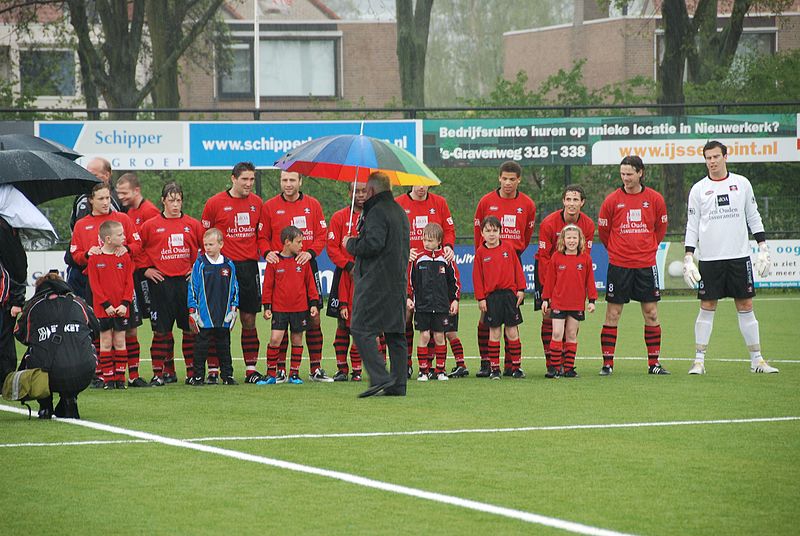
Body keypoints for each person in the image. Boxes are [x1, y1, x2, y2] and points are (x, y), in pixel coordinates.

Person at [683, 140, 778, 374]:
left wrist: (763, 248)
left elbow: (753, 217)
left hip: (739, 257)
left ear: (726, 156)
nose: (712, 162)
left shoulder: (741, 184)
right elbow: (692, 225)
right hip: (710, 259)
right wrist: (688, 258)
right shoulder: (698, 189)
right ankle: (699, 361)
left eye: (716, 157)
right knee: (707, 305)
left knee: (746, 305)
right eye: (708, 158)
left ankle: (757, 360)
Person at [597, 155, 669, 376]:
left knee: (652, 313)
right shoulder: (611, 200)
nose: (625, 178)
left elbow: (660, 229)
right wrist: (619, 251)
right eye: (622, 174)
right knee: (613, 314)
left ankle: (653, 364)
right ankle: (607, 364)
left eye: (629, 174)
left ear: (640, 173)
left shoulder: (655, 199)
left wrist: (646, 248)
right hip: (619, 265)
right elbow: (604, 233)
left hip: (646, 265)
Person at [343, 171, 410, 398]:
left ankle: (380, 376)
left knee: (360, 328)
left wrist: (351, 243)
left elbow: (373, 244)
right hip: (397, 280)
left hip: (375, 281)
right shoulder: (399, 211)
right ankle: (398, 385)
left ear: (371, 191)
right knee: (395, 333)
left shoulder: (377, 212)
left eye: (365, 190)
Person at [258, 170, 330, 382]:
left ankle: (315, 369)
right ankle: (280, 370)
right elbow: (261, 237)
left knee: (314, 320)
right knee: (283, 320)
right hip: (280, 267)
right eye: (284, 180)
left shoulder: (313, 205)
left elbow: (321, 235)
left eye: (292, 180)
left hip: (307, 265)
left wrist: (310, 252)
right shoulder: (269, 206)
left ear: (300, 181)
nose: (288, 184)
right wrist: (267, 253)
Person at [70, 182, 142, 387]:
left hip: (123, 282)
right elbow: (75, 255)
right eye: (100, 198)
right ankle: (102, 375)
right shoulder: (82, 225)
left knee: (130, 330)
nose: (105, 203)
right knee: (99, 332)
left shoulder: (122, 219)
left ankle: (133, 375)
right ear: (91, 200)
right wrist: (87, 254)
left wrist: (126, 248)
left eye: (108, 198)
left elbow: (138, 244)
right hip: (96, 285)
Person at [473, 161, 536, 377]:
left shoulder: (527, 204)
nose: (508, 183)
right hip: (488, 261)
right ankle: (486, 363)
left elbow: (526, 235)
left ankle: (512, 365)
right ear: (499, 178)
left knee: (511, 321)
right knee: (486, 321)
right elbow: (477, 232)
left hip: (511, 259)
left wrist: (513, 251)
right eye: (504, 178)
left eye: (512, 179)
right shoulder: (486, 202)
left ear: (518, 180)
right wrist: (484, 251)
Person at [201, 162, 262, 383]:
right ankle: (214, 370)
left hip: (248, 268)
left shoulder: (257, 204)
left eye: (252, 179)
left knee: (249, 319)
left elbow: (261, 235)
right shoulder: (214, 203)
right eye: (244, 179)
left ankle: (251, 369)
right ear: (233, 179)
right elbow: (205, 235)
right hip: (221, 268)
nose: (248, 184)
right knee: (216, 320)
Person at [139, 182, 205, 386]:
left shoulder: (193, 225)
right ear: (163, 201)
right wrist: (146, 270)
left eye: (178, 200)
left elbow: (207, 249)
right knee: (161, 331)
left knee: (189, 329)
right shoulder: (150, 225)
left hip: (185, 285)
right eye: (171, 200)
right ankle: (161, 372)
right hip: (161, 284)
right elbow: (137, 249)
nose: (175, 204)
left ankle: (192, 373)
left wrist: (195, 268)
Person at [395, 185, 464, 378]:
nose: (421, 187)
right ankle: (406, 364)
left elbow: (449, 230)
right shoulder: (399, 203)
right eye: (417, 183)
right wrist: (403, 252)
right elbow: (392, 232)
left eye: (424, 183)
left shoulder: (440, 203)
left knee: (437, 330)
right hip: (408, 266)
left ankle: (435, 368)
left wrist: (448, 246)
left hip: (436, 280)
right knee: (407, 318)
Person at [14, 272, 99, 419]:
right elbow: (96, 329)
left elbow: (20, 334)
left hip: (48, 372)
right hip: (84, 371)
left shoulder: (33, 306)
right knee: (85, 347)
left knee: (33, 352)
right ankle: (70, 399)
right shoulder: (78, 302)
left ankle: (45, 406)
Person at [535, 184, 595, 378]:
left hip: (571, 278)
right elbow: (544, 257)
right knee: (549, 319)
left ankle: (567, 365)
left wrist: (587, 296)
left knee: (571, 325)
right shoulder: (548, 223)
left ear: (582, 203)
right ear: (563, 201)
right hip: (549, 273)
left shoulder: (588, 225)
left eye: (575, 200)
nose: (571, 203)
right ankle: (551, 363)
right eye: (568, 199)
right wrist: (548, 291)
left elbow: (585, 259)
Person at [257, 226, 320, 385]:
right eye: (298, 242)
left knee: (297, 340)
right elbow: (268, 286)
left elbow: (310, 285)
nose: (301, 246)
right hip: (279, 309)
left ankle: (294, 374)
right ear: (287, 242)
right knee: (275, 339)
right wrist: (267, 307)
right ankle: (271, 373)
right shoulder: (274, 261)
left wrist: (313, 303)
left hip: (300, 309)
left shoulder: (303, 261)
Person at [115, 172, 160, 386]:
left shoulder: (150, 212)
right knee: (131, 323)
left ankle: (163, 370)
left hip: (145, 275)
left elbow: (154, 244)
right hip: (133, 273)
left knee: (155, 321)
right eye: (118, 193)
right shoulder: (128, 212)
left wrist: (147, 268)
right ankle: (128, 372)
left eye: (124, 193)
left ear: (136, 190)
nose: (120, 196)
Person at [473, 216, 526, 380]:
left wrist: (521, 289)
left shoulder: (508, 248)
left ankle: (516, 367)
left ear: (500, 232)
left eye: (495, 231)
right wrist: (481, 298)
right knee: (494, 332)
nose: (491, 234)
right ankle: (494, 369)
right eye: (488, 231)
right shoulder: (480, 253)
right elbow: (477, 278)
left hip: (509, 296)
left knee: (512, 332)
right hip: (492, 298)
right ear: (482, 233)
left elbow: (518, 269)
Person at [541, 225, 597, 378]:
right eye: (569, 238)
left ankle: (569, 368)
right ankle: (554, 368)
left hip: (576, 303)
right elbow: (549, 281)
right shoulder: (556, 257)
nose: (571, 241)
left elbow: (590, 281)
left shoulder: (585, 258)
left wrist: (592, 300)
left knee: (571, 334)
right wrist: (545, 299)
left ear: (580, 240)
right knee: (557, 333)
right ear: (563, 240)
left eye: (574, 238)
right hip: (558, 303)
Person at [407, 223, 459, 382]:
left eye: (430, 240)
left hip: (441, 306)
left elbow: (454, 282)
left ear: (439, 241)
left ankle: (440, 370)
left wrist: (455, 300)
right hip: (422, 306)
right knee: (423, 335)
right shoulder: (417, 258)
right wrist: (409, 297)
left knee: (439, 336)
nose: (426, 243)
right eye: (424, 240)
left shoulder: (446, 258)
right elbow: (409, 281)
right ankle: (423, 371)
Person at [326, 181, 367, 382]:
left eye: (363, 191)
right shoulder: (339, 217)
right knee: (343, 323)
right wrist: (349, 266)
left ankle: (363, 369)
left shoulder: (374, 216)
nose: (360, 195)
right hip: (344, 275)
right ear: (349, 193)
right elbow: (332, 248)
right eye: (356, 191)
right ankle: (342, 368)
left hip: (369, 276)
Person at [187, 228, 239, 386]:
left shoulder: (229, 264)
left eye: (211, 244)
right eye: (205, 245)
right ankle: (197, 377)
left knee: (224, 346)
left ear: (221, 244)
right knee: (201, 347)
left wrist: (234, 308)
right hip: (204, 315)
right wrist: (193, 310)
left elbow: (235, 288)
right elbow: (193, 287)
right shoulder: (200, 264)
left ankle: (227, 376)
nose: (207, 248)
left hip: (223, 314)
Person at [65, 157, 122, 298]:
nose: (88, 177)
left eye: (94, 175)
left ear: (107, 175)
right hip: (80, 267)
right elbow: (77, 231)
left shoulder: (116, 200)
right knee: (80, 312)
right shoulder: (82, 198)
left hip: (106, 268)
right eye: (87, 173)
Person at [87, 220, 135, 389]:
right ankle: (108, 379)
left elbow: (129, 283)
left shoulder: (125, 257)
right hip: (103, 309)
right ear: (108, 238)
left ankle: (120, 378)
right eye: (120, 234)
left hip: (122, 308)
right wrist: (106, 305)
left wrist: (124, 304)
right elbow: (95, 285)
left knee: (120, 341)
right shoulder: (94, 259)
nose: (124, 237)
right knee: (106, 342)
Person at [0, 215, 25, 383]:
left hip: (4, 299)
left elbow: (16, 268)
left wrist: (17, 300)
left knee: (4, 341)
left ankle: (5, 381)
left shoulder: (4, 229)